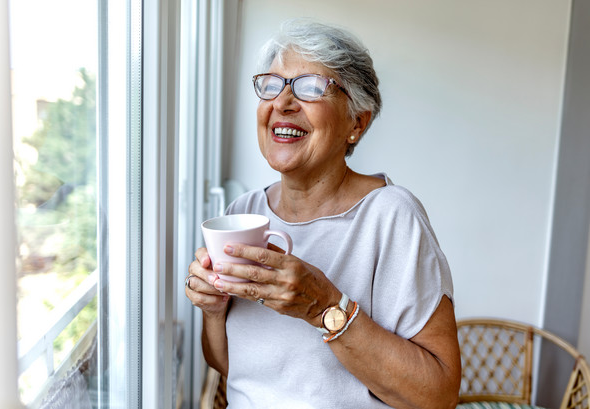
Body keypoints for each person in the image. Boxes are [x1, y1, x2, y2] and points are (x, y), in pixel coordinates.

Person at [186, 18, 461, 409]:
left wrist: (325, 307)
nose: (282, 103)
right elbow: (231, 365)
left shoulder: (391, 217)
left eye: (311, 87)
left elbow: (439, 395)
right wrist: (213, 311)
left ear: (356, 123)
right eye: (272, 85)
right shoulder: (242, 213)